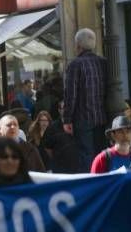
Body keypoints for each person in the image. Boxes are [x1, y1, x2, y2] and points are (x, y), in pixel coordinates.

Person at [63, 28, 108, 172]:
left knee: (86, 156)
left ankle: (91, 185)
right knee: (101, 153)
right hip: (101, 117)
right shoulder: (103, 62)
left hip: (82, 119)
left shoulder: (75, 65)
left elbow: (71, 95)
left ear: (78, 45)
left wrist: (67, 119)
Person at [41, 100, 80, 173]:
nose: (66, 110)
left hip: (77, 168)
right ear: (59, 110)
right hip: (59, 169)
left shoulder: (78, 125)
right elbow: (47, 148)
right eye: (64, 108)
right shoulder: (52, 127)